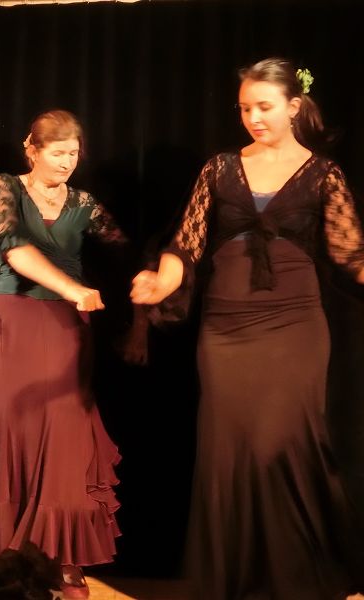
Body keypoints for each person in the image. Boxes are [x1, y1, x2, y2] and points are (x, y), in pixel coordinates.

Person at [131, 58, 364, 600]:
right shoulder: (219, 168)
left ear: (293, 106)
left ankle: (295, 578)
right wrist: (161, 283)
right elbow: (185, 245)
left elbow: (350, 254)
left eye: (264, 107)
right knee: (228, 450)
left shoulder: (323, 173)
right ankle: (236, 582)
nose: (253, 118)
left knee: (278, 443)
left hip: (295, 327)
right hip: (225, 329)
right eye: (244, 109)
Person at [0, 110, 125, 599]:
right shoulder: (6, 186)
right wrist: (73, 288)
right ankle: (5, 554)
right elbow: (12, 246)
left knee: (67, 432)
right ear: (31, 148)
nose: (68, 162)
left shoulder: (84, 203)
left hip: (66, 324)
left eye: (74, 153)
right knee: (14, 426)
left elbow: (124, 248)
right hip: (11, 318)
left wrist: (153, 277)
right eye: (58, 153)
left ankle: (63, 556)